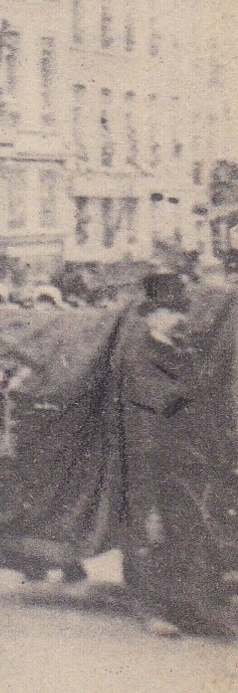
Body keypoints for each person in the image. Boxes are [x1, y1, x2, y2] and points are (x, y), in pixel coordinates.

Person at [110, 271, 235, 639]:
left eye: (180, 310)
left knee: (185, 529)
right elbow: (169, 401)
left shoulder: (182, 353)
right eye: (167, 311)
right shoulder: (139, 355)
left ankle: (186, 606)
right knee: (146, 531)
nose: (176, 318)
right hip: (146, 455)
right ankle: (148, 608)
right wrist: (205, 387)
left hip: (181, 457)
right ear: (150, 317)